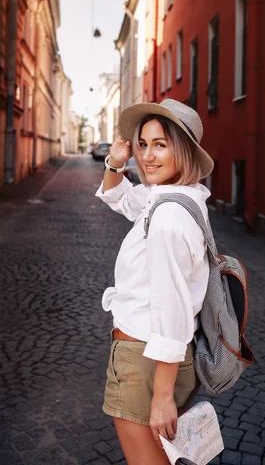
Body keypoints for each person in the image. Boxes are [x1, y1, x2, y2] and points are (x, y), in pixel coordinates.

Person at [95, 99, 214, 465]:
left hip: (144, 362)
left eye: (160, 144)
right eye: (143, 144)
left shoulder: (168, 219)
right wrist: (116, 161)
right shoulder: (174, 198)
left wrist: (162, 397)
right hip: (151, 360)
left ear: (183, 149)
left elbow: (172, 310)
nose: (147, 155)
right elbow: (121, 198)